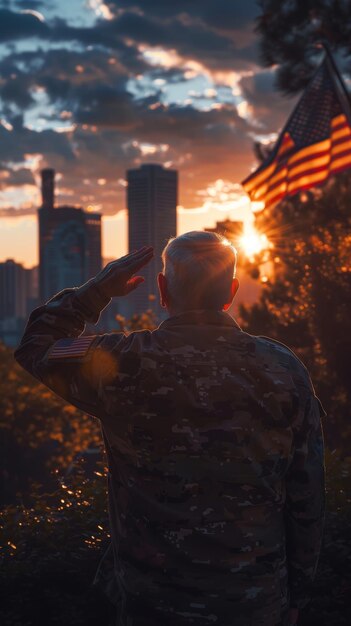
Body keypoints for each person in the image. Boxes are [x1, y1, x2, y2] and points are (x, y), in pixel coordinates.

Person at [14, 231, 326, 626]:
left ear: (162, 288)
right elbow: (307, 493)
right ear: (230, 292)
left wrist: (96, 292)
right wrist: (297, 594)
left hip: (152, 603)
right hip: (254, 601)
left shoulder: (124, 361)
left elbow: (36, 347)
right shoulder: (284, 369)